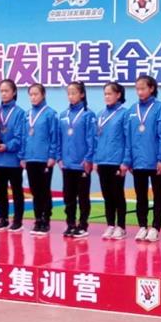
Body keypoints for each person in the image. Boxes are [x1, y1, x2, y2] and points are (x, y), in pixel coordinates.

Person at [124, 76, 161, 242]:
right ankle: (142, 226)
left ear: (151, 88)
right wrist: (128, 160)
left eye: (143, 88)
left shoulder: (160, 108)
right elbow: (128, 138)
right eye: (137, 89)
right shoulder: (132, 110)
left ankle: (155, 228)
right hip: (137, 161)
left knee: (158, 195)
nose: (140, 92)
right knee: (140, 196)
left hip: (155, 161)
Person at [58, 81, 96, 238]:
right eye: (69, 93)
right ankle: (70, 224)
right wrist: (59, 158)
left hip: (82, 164)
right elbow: (59, 139)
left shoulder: (88, 115)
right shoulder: (63, 115)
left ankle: (83, 225)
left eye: (74, 93)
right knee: (68, 197)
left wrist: (88, 159)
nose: (71, 96)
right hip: (67, 164)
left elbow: (92, 139)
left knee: (83, 197)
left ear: (82, 94)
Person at [22, 83, 59, 236]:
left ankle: (46, 219)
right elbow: (24, 136)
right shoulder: (27, 114)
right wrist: (23, 156)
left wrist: (52, 155)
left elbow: (54, 136)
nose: (33, 97)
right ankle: (37, 219)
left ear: (43, 95)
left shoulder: (50, 114)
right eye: (31, 94)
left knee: (44, 190)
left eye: (36, 94)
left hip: (44, 159)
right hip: (30, 158)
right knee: (34, 191)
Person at [94, 82, 129, 240]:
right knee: (107, 195)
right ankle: (110, 225)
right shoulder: (100, 114)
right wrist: (96, 160)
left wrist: (125, 161)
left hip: (117, 161)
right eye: (105, 94)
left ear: (118, 95)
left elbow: (128, 139)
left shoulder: (124, 114)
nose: (107, 97)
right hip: (102, 161)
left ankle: (121, 226)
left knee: (117, 195)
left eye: (110, 93)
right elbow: (96, 139)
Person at [0, 79, 26, 232]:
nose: (3, 94)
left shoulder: (19, 113)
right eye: (1, 91)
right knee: (1, 191)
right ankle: (3, 219)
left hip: (13, 159)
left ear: (14, 92)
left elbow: (20, 137)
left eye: (6, 91)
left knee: (16, 191)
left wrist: (6, 146)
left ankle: (17, 220)